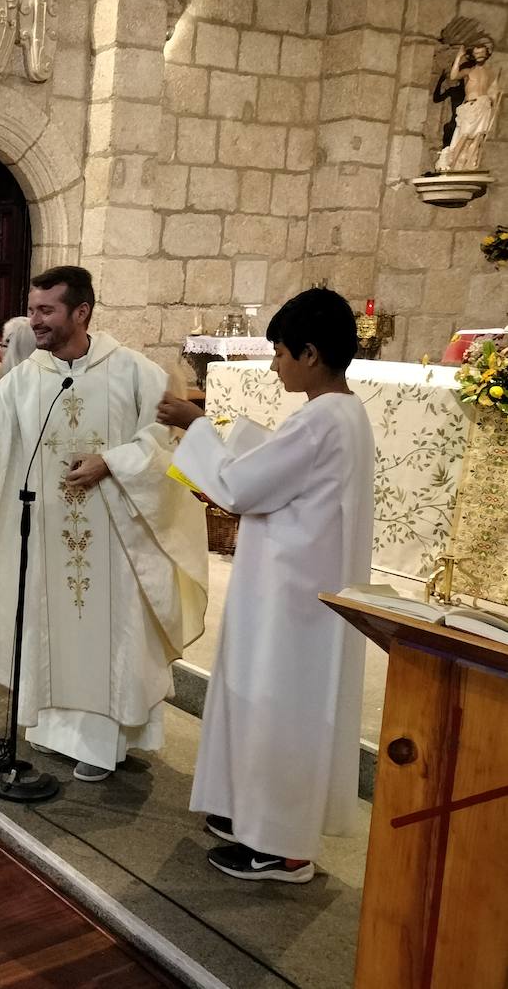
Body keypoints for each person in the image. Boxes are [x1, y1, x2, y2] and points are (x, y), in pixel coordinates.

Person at [0, 266, 208, 781]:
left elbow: (163, 446)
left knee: (108, 637)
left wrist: (111, 462)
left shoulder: (135, 373)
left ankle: (103, 745)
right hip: (49, 537)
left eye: (47, 311)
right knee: (52, 628)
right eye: (32, 310)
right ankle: (58, 733)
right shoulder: (29, 378)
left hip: (117, 540)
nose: (36, 322)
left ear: (82, 312)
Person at [156, 289, 373, 884]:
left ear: (309, 352)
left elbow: (240, 489)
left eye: (279, 352)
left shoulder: (322, 418)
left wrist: (199, 425)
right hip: (293, 585)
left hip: (293, 598)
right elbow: (271, 475)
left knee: (282, 711)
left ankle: (284, 848)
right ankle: (254, 816)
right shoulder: (343, 414)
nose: (275, 364)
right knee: (264, 702)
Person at [435, 37, 500, 173]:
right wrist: (459, 57)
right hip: (471, 106)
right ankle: (452, 163)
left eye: (482, 53)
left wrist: (493, 100)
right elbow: (453, 76)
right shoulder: (469, 71)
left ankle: (470, 164)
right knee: (464, 134)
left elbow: (493, 91)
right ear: (473, 55)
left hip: (483, 106)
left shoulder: (490, 73)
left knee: (477, 137)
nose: (479, 56)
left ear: (487, 54)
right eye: (477, 53)